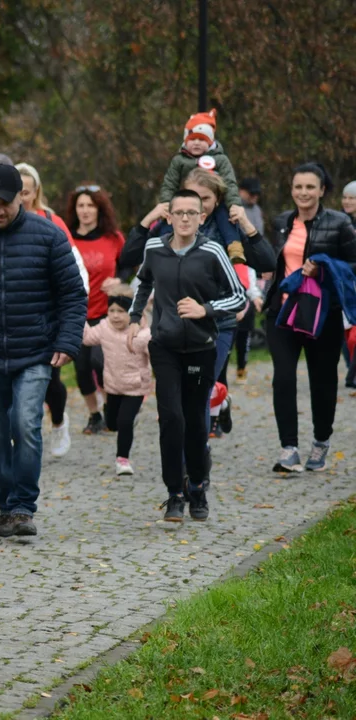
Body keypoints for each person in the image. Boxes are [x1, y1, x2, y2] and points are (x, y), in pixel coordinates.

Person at [0, 163, 86, 538]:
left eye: (5, 202)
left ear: (23, 196)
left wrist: (67, 341)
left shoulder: (48, 235)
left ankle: (22, 506)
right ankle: (6, 503)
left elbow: (72, 294)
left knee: (26, 425)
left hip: (35, 352)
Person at [128, 189, 246, 522]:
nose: (184, 218)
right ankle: (174, 493)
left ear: (201, 218)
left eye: (191, 213)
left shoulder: (212, 251)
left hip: (201, 346)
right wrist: (136, 319)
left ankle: (197, 485)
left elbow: (238, 296)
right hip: (164, 345)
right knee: (171, 419)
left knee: (196, 423)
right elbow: (143, 283)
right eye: (178, 212)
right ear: (168, 217)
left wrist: (203, 309)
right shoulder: (154, 248)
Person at [265, 163, 356, 472]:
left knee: (322, 381)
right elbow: (273, 261)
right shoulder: (280, 222)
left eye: (309, 187)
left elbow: (353, 266)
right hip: (284, 312)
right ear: (291, 190)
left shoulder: (340, 223)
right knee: (284, 378)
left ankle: (321, 440)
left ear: (322, 191)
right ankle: (288, 447)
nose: (303, 192)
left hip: (322, 315)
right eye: (298, 187)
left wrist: (324, 268)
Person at [16, 162, 90, 457]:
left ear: (35, 193)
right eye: (16, 192)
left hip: (48, 312)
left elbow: (75, 267)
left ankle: (58, 421)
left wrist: (73, 308)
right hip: (16, 313)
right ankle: (21, 432)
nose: (21, 198)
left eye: (26, 192)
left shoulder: (51, 221)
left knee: (50, 379)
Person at [66, 183, 125, 433]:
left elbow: (128, 265)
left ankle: (113, 407)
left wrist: (120, 281)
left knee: (101, 363)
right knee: (81, 368)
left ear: (100, 209)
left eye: (90, 205)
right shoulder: (66, 237)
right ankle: (94, 415)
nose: (85, 210)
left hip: (106, 314)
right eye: (81, 205)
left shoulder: (113, 238)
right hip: (76, 313)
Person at [81, 295, 151, 475]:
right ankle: (118, 419)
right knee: (112, 424)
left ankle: (122, 460)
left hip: (136, 387)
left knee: (125, 421)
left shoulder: (143, 335)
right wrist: (78, 314)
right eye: (111, 311)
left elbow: (157, 354)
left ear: (132, 314)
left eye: (121, 311)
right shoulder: (104, 328)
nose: (115, 316)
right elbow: (88, 338)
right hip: (112, 385)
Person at [159, 109, 242, 212]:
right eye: (192, 139)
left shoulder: (220, 159)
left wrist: (234, 204)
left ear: (210, 143)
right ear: (186, 141)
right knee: (164, 225)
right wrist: (166, 202)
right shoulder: (179, 160)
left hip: (216, 206)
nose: (197, 143)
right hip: (185, 203)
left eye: (202, 139)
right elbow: (170, 183)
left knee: (227, 225)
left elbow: (229, 183)